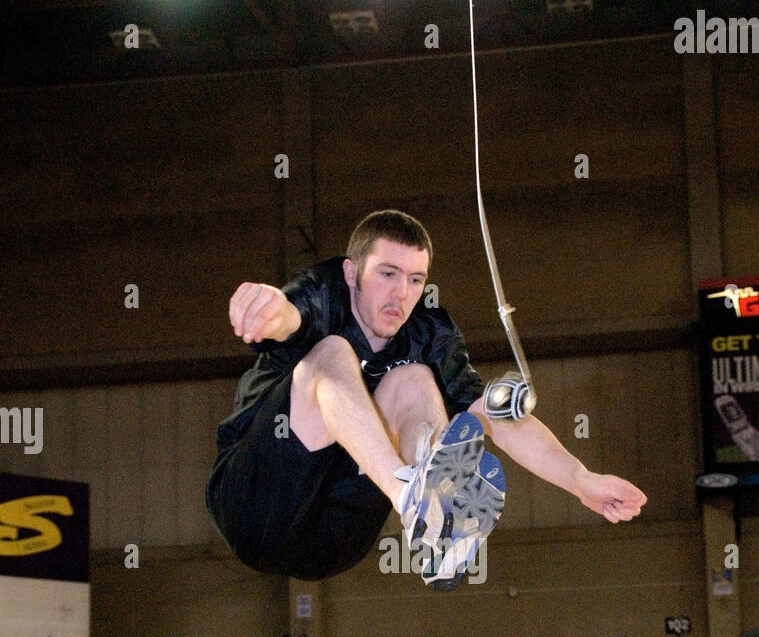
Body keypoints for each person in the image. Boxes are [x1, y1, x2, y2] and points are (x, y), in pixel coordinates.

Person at [206, 209, 645, 592]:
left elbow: (496, 420)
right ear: (351, 273)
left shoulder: (430, 333)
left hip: (335, 540)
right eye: (387, 274)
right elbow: (288, 318)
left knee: (414, 378)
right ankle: (411, 498)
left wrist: (580, 478)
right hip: (255, 507)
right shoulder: (322, 294)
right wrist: (270, 306)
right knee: (334, 352)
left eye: (416, 279)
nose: (401, 294)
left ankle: (437, 517)